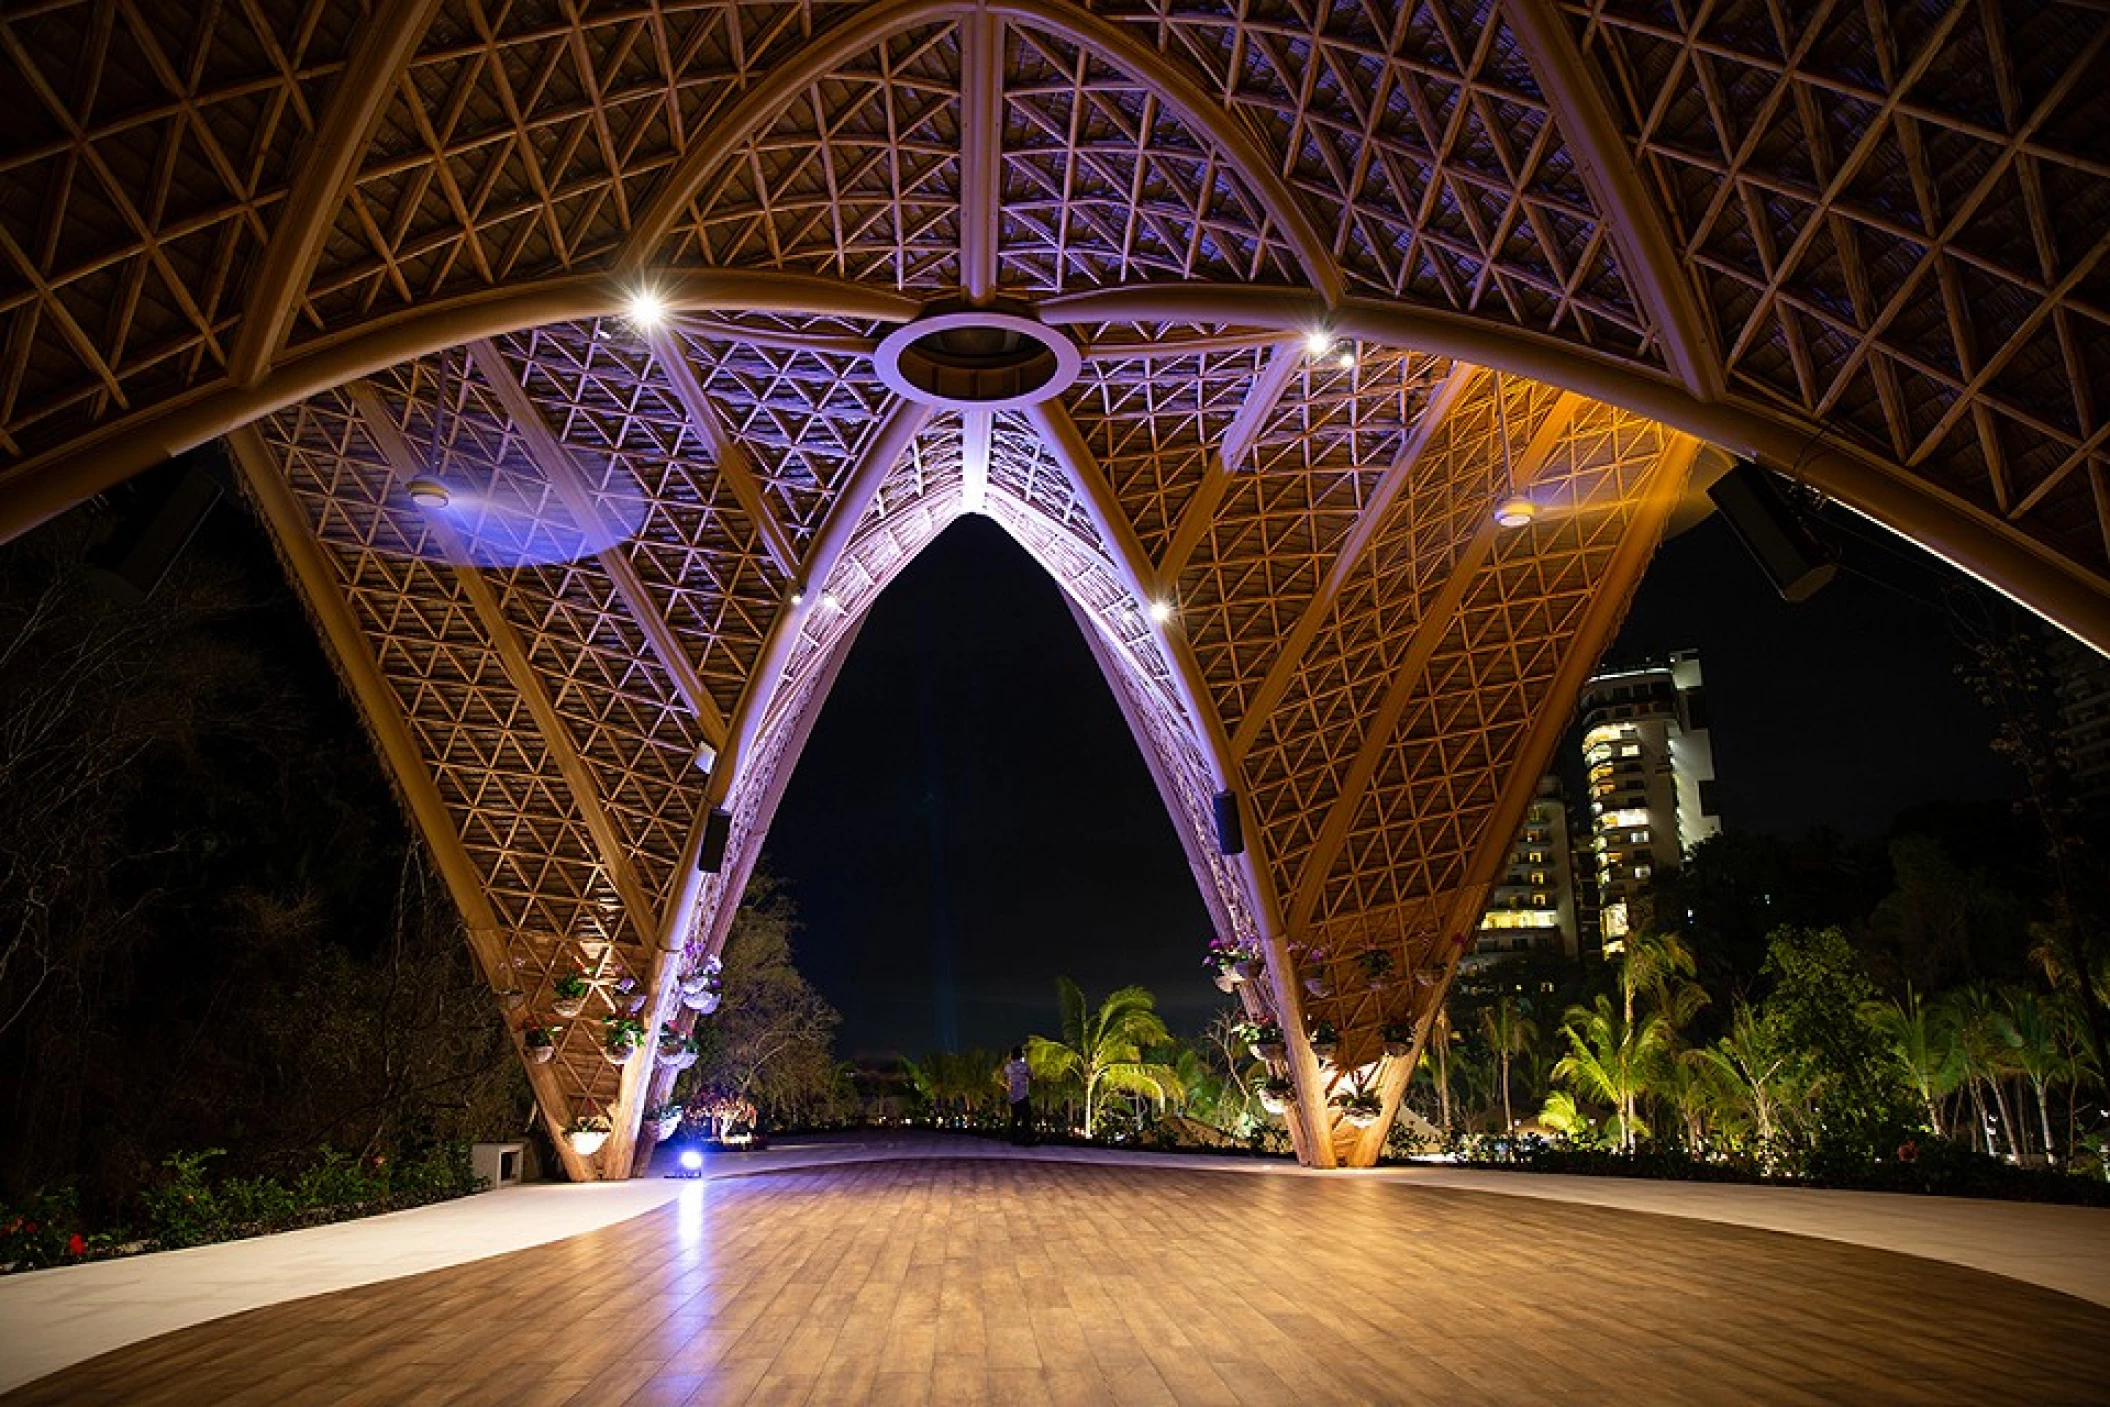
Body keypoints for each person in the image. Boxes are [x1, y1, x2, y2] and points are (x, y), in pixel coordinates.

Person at [1003, 1046, 1032, 1145]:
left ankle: (1014, 1139)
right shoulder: (1025, 1066)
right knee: (1026, 1118)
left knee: (1015, 1117)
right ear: (1021, 1055)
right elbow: (1032, 1076)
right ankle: (1025, 1138)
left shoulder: (1008, 1067)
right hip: (1023, 1095)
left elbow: (1005, 1077)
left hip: (1013, 1096)